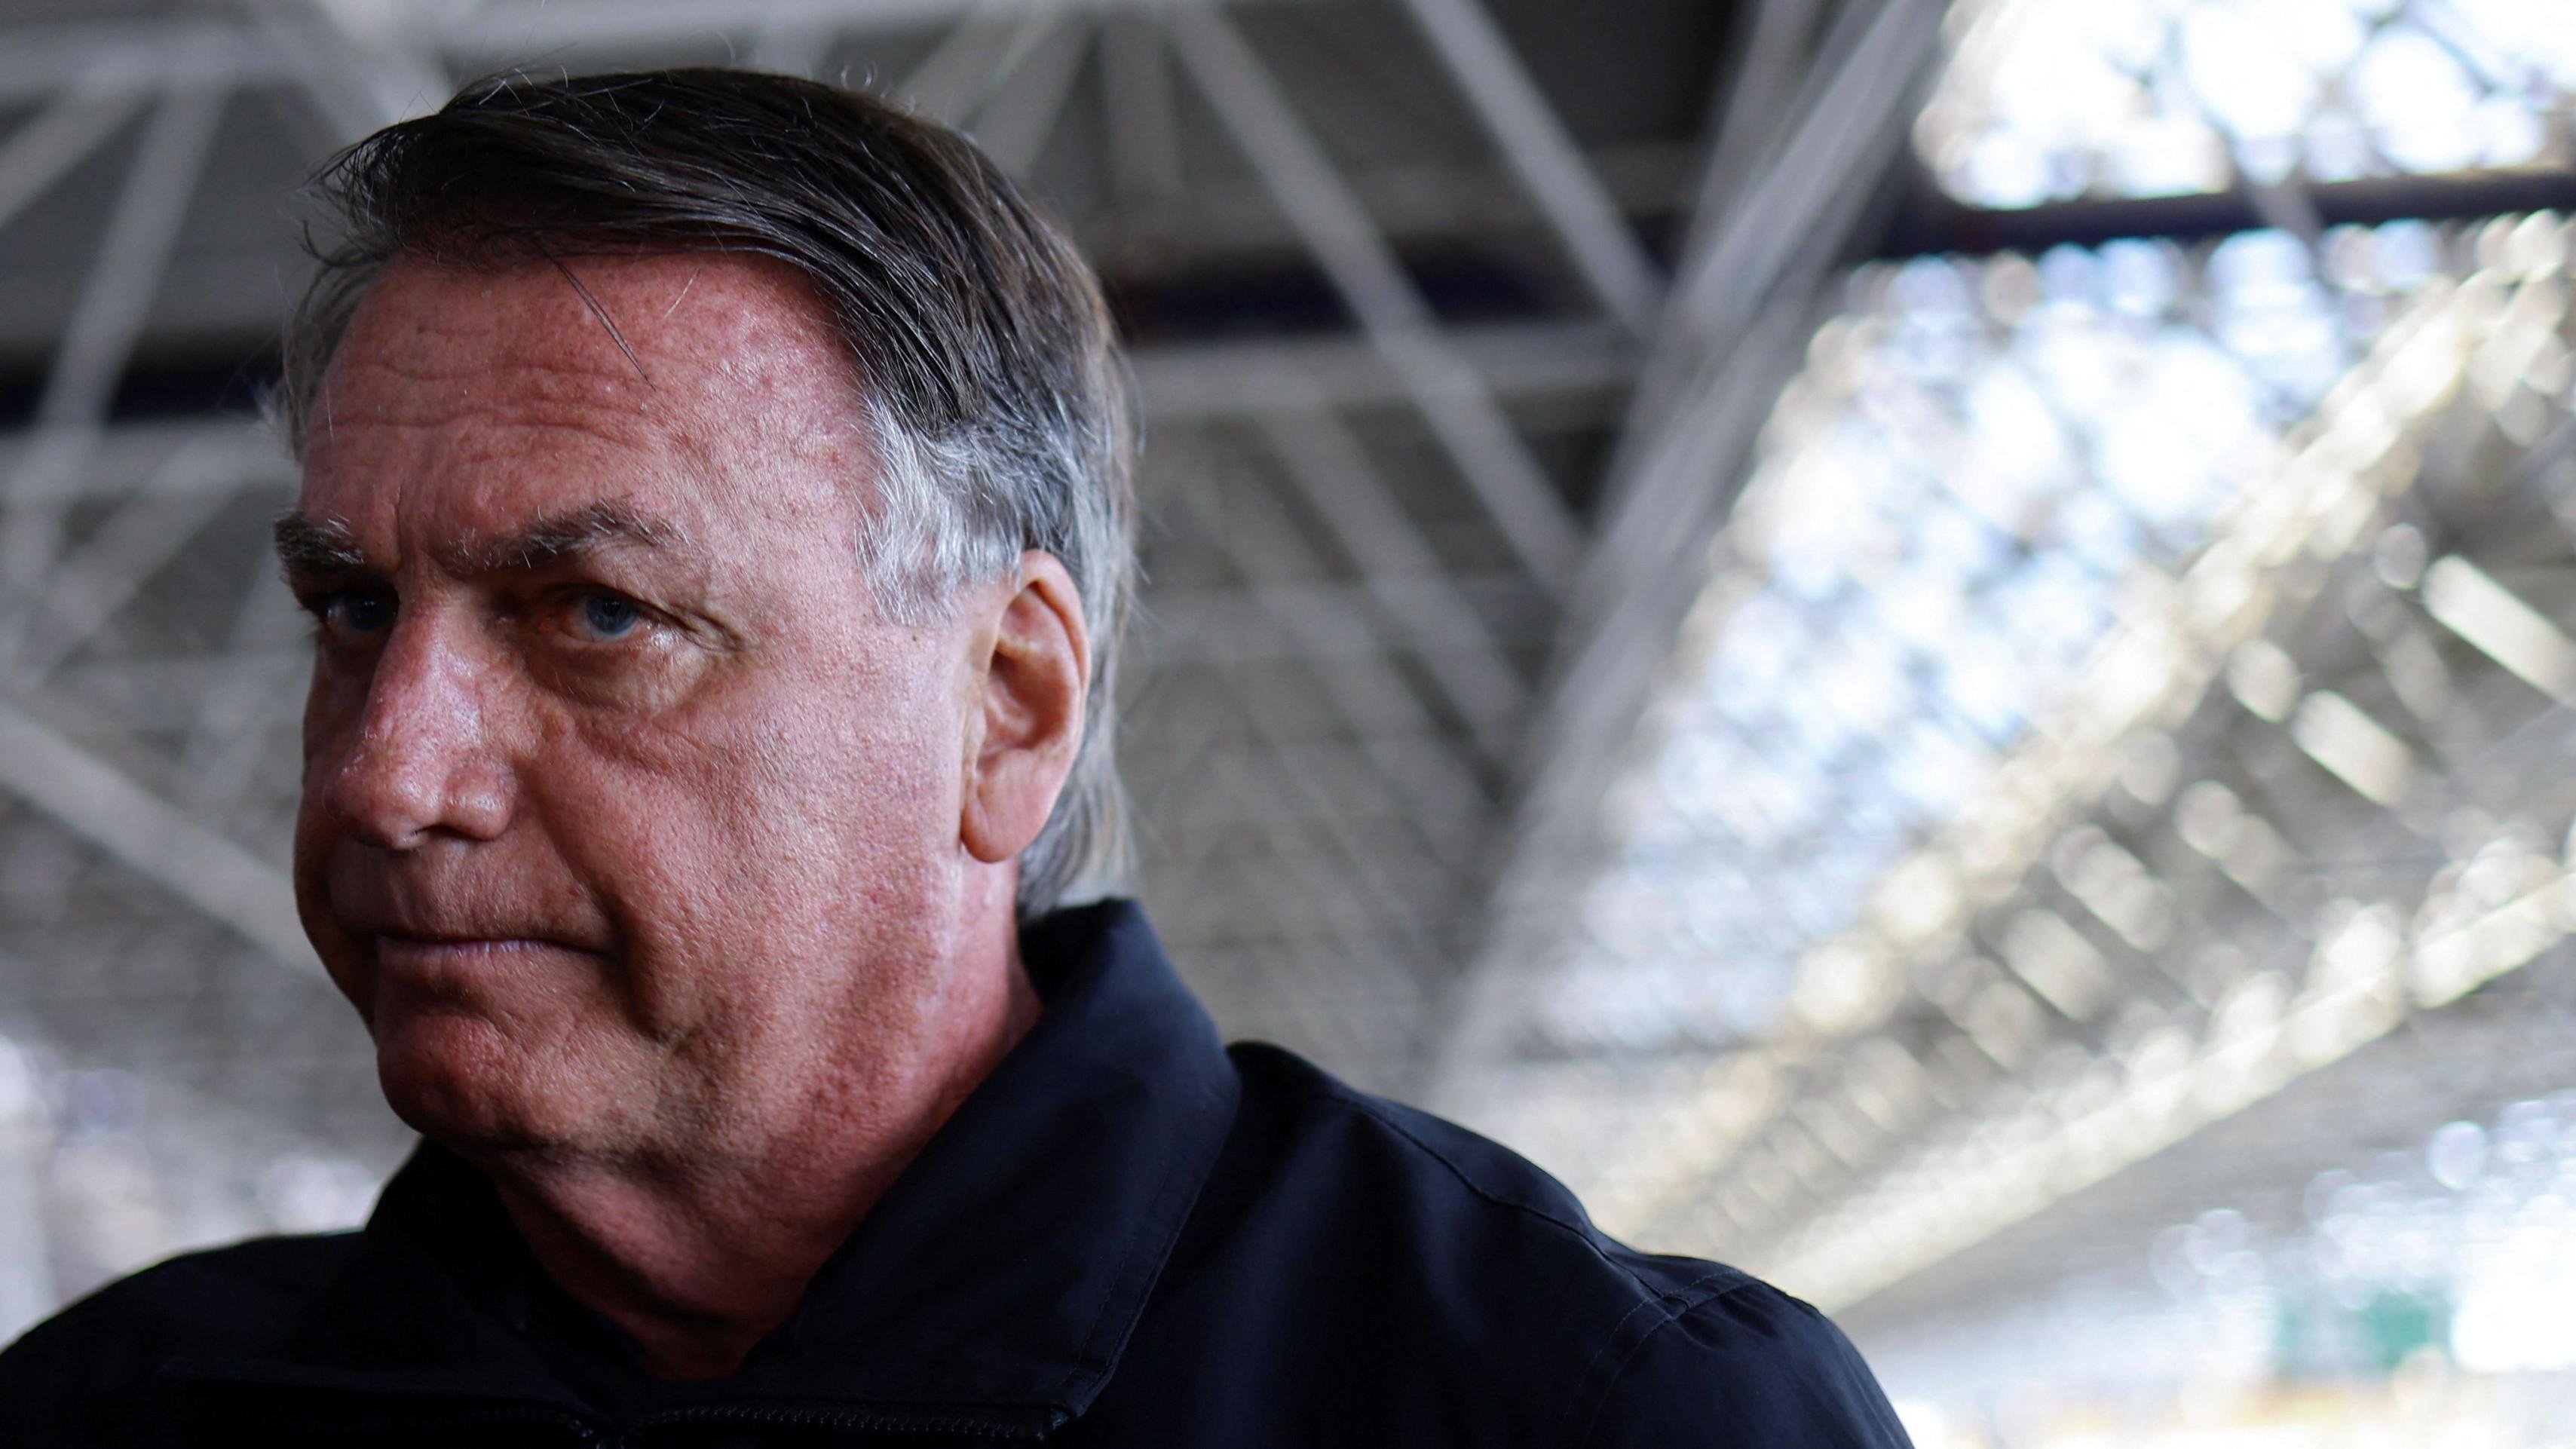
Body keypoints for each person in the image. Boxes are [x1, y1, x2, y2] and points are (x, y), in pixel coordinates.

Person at [0, 69, 1912, 1446]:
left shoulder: (1584, 1410)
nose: (386, 774)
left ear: (1006, 705)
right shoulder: (112, 1414)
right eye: (351, 606)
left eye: (594, 613)